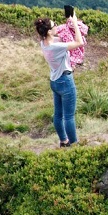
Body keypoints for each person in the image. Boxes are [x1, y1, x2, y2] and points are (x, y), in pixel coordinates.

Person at [36, 15, 86, 147]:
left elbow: (63, 38)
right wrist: (75, 24)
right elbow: (79, 43)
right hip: (65, 80)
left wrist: (67, 26)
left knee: (58, 114)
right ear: (48, 31)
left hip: (55, 81)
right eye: (54, 25)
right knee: (69, 116)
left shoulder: (44, 43)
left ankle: (64, 141)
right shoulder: (56, 47)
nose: (57, 26)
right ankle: (75, 145)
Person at [54, 4, 89, 69]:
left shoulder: (64, 28)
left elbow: (55, 32)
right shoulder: (80, 27)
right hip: (77, 50)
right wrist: (74, 22)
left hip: (68, 50)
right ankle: (73, 64)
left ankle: (71, 64)